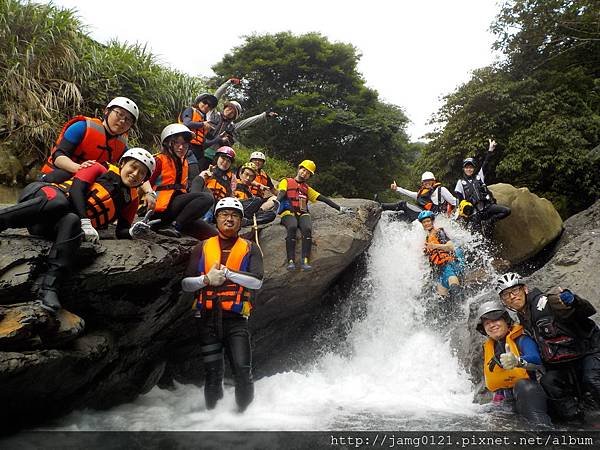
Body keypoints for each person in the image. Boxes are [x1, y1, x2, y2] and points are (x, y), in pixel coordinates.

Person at [0, 148, 155, 311]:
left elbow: (121, 231)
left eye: (142, 173)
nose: (136, 174)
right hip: (43, 195)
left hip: (44, 225)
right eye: (134, 167)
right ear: (122, 163)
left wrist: (132, 232)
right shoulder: (99, 168)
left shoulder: (131, 200)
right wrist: (86, 222)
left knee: (71, 221)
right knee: (59, 204)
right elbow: (76, 190)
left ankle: (49, 287)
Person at [181, 197, 263, 412]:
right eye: (224, 214)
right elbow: (186, 284)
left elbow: (257, 281)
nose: (229, 219)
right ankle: (213, 422)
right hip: (207, 320)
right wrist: (206, 280)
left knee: (243, 371)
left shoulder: (250, 248)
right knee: (212, 374)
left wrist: (227, 273)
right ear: (216, 219)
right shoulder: (202, 247)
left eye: (234, 215)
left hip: (236, 322)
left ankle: (243, 418)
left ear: (240, 221)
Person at [496, 272, 600, 421]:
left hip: (590, 350)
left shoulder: (547, 302)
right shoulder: (523, 317)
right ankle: (578, 423)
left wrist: (574, 301)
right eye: (506, 295)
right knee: (549, 382)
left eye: (515, 291)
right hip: (564, 361)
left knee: (592, 380)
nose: (512, 297)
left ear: (525, 289)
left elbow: (586, 311)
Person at [39, 96, 157, 211]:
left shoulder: (120, 145)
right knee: (65, 175)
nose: (122, 121)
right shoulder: (82, 127)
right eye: (119, 114)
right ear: (107, 111)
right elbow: (58, 157)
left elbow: (140, 165)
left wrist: (149, 192)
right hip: (62, 175)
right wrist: (80, 168)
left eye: (128, 120)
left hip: (87, 183)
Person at [476, 300, 553, 428]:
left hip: (528, 395)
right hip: (504, 400)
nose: (492, 325)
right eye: (487, 323)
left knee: (525, 386)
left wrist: (517, 361)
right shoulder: (489, 347)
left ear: (506, 320)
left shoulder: (522, 339)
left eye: (496, 320)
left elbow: (536, 360)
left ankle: (543, 432)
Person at [276, 160, 353, 271]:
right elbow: (282, 192)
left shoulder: (307, 189)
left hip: (303, 213)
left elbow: (323, 199)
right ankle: (291, 261)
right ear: (299, 168)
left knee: (307, 228)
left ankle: (305, 261)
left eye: (308, 173)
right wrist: (276, 202)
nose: (304, 173)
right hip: (288, 212)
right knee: (292, 226)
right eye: (303, 170)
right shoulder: (286, 181)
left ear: (309, 176)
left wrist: (339, 208)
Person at [148, 124, 215, 239]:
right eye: (176, 143)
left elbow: (187, 190)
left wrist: (201, 179)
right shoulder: (158, 160)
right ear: (168, 143)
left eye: (184, 144)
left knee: (213, 235)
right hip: (159, 211)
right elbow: (144, 183)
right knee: (207, 198)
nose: (181, 147)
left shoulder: (184, 163)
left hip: (176, 211)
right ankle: (175, 225)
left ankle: (178, 223)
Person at [202, 100, 278, 171]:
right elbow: (215, 97)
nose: (230, 112)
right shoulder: (213, 115)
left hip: (215, 155)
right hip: (201, 148)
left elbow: (247, 122)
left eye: (233, 112)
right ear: (225, 107)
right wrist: (227, 84)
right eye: (230, 108)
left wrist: (264, 115)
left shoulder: (231, 126)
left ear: (234, 116)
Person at [454, 139, 511, 234]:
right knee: (478, 238)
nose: (469, 169)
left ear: (474, 168)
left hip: (487, 207)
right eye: (467, 167)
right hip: (474, 213)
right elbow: (459, 200)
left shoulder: (479, 176)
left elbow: (486, 164)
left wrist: (490, 150)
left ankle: (488, 222)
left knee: (506, 211)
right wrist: (459, 213)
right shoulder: (460, 182)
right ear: (464, 169)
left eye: (471, 167)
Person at [417, 210, 463, 301]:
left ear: (432, 221)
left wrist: (434, 246)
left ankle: (466, 310)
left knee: (455, 291)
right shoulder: (427, 238)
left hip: (449, 266)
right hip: (439, 272)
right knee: (443, 302)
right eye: (424, 222)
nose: (426, 224)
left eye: (428, 221)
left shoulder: (439, 232)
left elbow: (450, 247)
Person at [380, 171, 457, 221]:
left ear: (433, 181)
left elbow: (454, 202)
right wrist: (397, 188)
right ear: (422, 183)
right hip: (423, 216)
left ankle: (381, 206)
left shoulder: (441, 190)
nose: (427, 183)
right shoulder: (422, 193)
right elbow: (409, 193)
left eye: (429, 180)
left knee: (403, 204)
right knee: (401, 216)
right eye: (425, 181)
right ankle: (382, 217)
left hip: (432, 218)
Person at [178, 93, 218, 181]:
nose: (206, 106)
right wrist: (202, 124)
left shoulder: (204, 120)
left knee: (200, 172)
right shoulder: (190, 110)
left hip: (198, 150)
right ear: (199, 101)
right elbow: (187, 123)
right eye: (205, 102)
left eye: (210, 106)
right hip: (187, 146)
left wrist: (218, 139)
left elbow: (204, 142)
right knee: (193, 172)